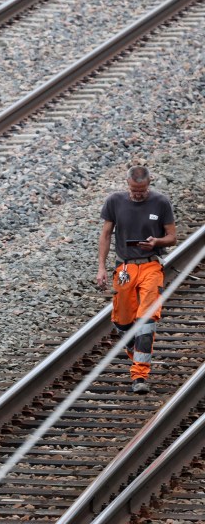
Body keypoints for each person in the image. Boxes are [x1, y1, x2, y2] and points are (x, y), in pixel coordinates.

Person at [96, 165, 176, 394]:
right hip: (125, 268)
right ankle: (134, 348)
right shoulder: (114, 201)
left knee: (146, 318)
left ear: (149, 184)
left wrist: (156, 243)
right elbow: (105, 234)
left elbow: (172, 237)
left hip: (151, 266)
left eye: (141, 190)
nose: (137, 194)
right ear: (127, 183)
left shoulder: (161, 202)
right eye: (134, 189)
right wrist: (101, 267)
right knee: (122, 321)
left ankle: (139, 375)